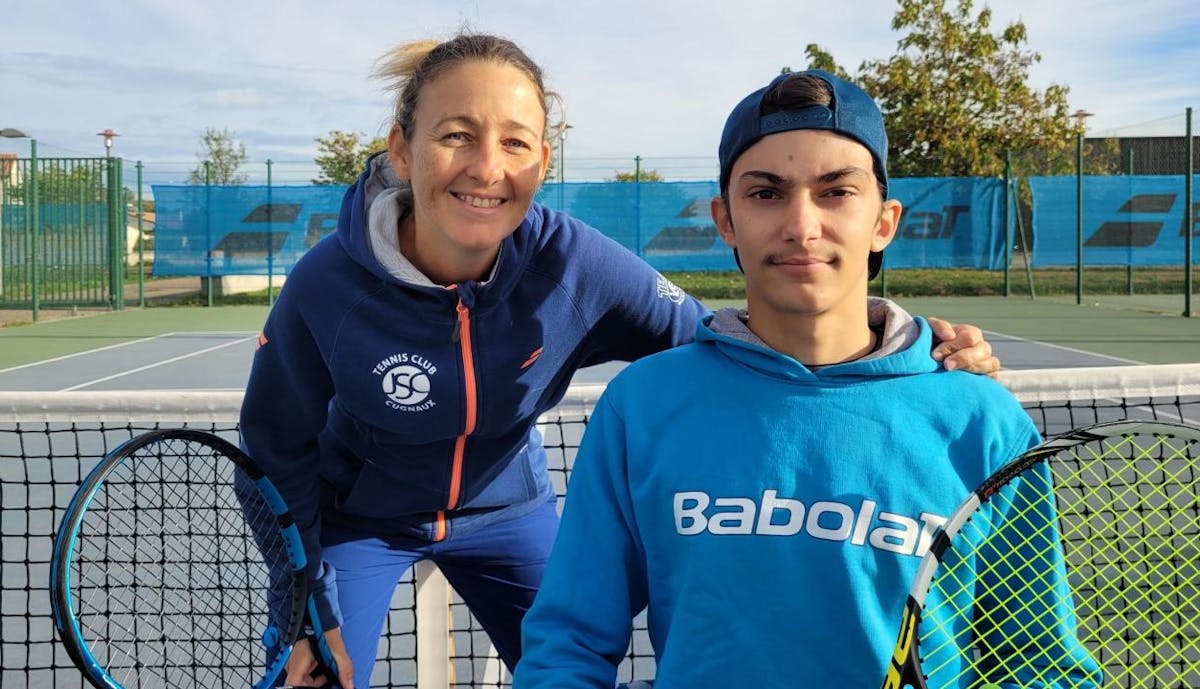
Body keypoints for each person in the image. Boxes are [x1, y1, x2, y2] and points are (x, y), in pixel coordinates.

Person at [239, 34, 1000, 688]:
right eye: (455, 136)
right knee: (313, 674)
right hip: (360, 520)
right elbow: (274, 448)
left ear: (541, 160)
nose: (485, 167)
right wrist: (304, 607)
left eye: (514, 142)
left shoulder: (575, 264)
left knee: (560, 648)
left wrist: (906, 356)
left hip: (508, 513)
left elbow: (725, 338)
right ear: (402, 149)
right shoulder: (327, 283)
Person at [513, 70, 1100, 688]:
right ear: (726, 220)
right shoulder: (643, 404)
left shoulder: (982, 422)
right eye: (766, 193)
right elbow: (568, 643)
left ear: (884, 221)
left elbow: (1037, 662)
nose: (801, 225)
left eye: (836, 191)